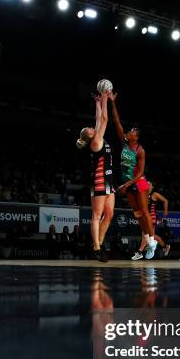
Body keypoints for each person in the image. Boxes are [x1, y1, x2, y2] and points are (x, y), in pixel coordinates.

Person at [109, 92, 157, 260]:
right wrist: (112, 102)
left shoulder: (140, 150)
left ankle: (152, 243)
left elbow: (142, 172)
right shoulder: (124, 143)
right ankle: (148, 240)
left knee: (144, 212)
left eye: (132, 131)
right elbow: (116, 121)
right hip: (127, 184)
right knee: (137, 214)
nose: (129, 132)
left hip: (138, 182)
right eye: (129, 131)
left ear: (136, 137)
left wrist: (127, 184)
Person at [76, 91, 114, 262]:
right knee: (96, 216)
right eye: (89, 128)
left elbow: (99, 120)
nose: (92, 127)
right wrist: (105, 99)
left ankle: (100, 241)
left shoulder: (97, 136)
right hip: (99, 181)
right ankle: (97, 248)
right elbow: (104, 120)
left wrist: (97, 102)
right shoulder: (96, 141)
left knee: (110, 214)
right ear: (89, 135)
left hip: (108, 180)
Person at [136, 183, 171, 260]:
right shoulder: (143, 195)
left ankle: (140, 251)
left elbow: (165, 201)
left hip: (152, 217)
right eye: (146, 184)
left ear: (152, 187)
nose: (147, 186)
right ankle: (165, 246)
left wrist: (165, 212)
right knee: (151, 236)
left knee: (146, 235)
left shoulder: (155, 194)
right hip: (145, 217)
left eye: (149, 185)